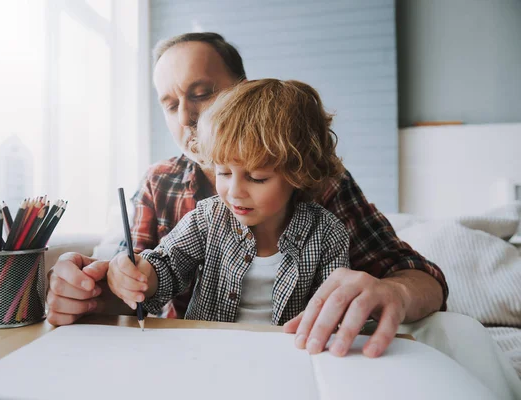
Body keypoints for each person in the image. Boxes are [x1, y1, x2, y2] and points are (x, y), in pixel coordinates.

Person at [46, 32, 448, 359]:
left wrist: (382, 299)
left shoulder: (325, 206)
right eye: (169, 104)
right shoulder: (168, 187)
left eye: (201, 94)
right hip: (196, 355)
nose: (186, 117)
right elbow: (144, 280)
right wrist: (98, 285)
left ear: (242, 92)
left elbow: (403, 278)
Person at [107, 78, 350, 325]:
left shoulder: (328, 234)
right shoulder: (207, 219)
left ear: (299, 173)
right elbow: (167, 267)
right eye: (223, 173)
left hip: (287, 354)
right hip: (206, 351)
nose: (234, 192)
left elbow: (335, 309)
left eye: (257, 178)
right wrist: (143, 275)